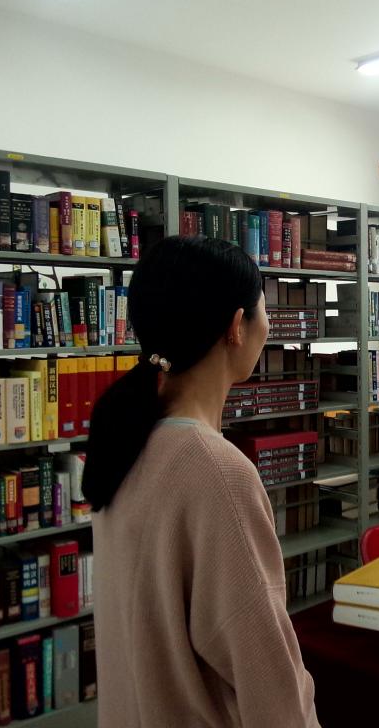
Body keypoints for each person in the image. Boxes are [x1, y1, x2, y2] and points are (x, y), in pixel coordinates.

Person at [82, 236, 318, 727]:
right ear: (236, 326)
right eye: (263, 309)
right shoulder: (216, 470)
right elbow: (271, 685)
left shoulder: (125, 438)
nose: (268, 325)